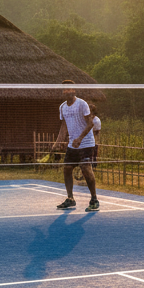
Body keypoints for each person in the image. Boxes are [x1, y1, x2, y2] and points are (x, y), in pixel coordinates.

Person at [52, 81, 100, 211]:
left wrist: (80, 138)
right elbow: (63, 126)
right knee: (67, 168)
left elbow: (90, 124)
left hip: (86, 142)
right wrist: (58, 142)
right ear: (63, 92)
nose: (67, 91)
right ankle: (70, 199)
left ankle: (94, 199)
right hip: (73, 144)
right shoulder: (62, 107)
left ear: (74, 90)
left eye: (70, 89)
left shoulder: (82, 104)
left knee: (85, 169)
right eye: (65, 90)